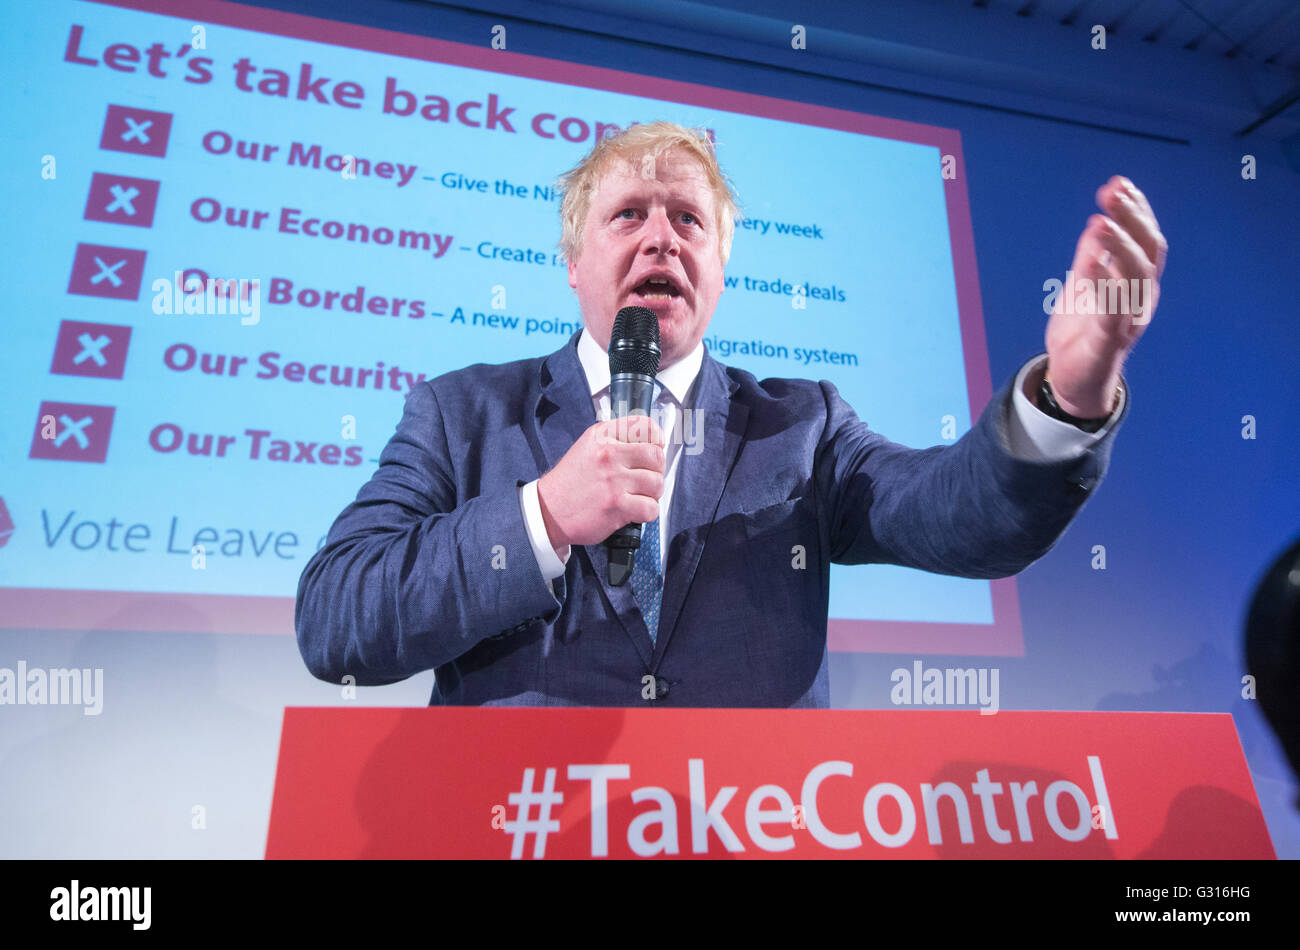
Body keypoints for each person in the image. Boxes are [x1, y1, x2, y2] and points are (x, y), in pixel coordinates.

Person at [294, 121, 1166, 707]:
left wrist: (1069, 394)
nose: (659, 238)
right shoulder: (463, 412)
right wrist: (545, 516)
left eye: (687, 220)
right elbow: (337, 622)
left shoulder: (803, 425)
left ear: (720, 270)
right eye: (627, 215)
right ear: (573, 262)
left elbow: (959, 517)